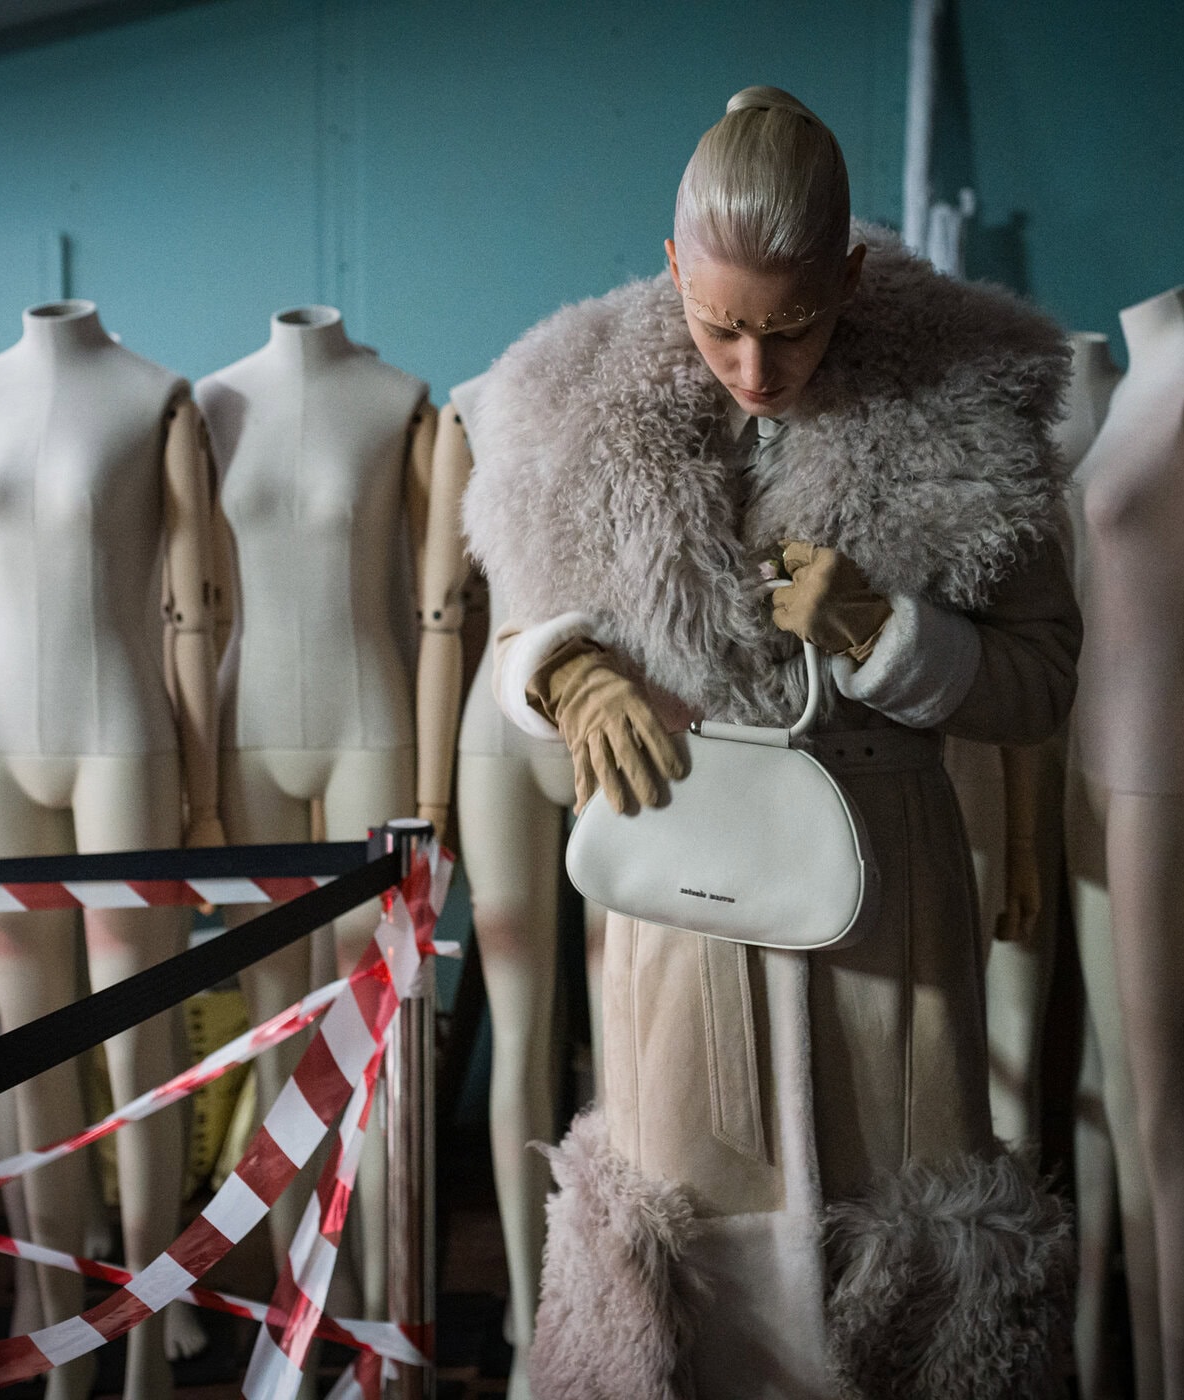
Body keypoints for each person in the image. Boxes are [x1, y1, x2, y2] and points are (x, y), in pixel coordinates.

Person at [464, 86, 1082, 1400]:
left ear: (850, 274)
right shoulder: (570, 410)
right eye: (722, 327)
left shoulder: (973, 406)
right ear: (676, 262)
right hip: (682, 889)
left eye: (794, 330)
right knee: (678, 1256)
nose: (753, 368)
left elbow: (1039, 682)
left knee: (914, 1257)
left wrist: (881, 626)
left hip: (888, 896)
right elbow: (516, 632)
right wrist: (570, 677)